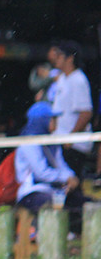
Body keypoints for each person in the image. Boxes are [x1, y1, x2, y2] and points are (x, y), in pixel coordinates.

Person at [15, 101, 88, 226]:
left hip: (55, 191)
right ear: (42, 121)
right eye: (52, 119)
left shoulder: (51, 141)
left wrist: (71, 177)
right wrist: (65, 178)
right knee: (53, 208)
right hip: (32, 192)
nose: (55, 122)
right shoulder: (28, 142)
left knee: (86, 203)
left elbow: (60, 164)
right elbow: (42, 173)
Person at [48, 41, 94, 181]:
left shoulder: (78, 80)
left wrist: (71, 138)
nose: (56, 59)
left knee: (72, 183)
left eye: (60, 55)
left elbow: (86, 113)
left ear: (70, 58)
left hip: (73, 144)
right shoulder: (62, 79)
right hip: (60, 140)